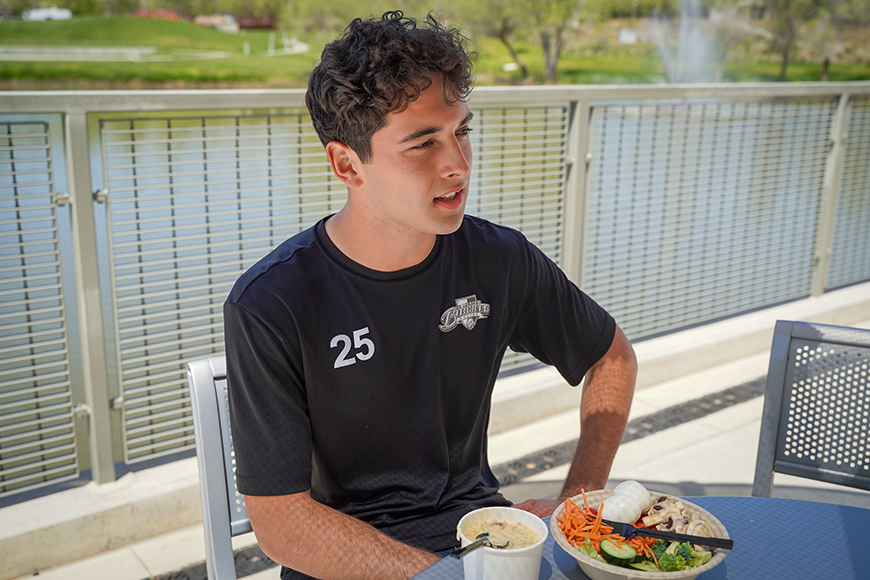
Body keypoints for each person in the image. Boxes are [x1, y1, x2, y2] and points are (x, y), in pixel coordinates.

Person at [223, 11, 637, 580]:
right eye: (422, 144)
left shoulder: (499, 259)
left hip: (482, 538)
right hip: (343, 561)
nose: (458, 166)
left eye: (461, 132)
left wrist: (578, 507)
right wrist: (441, 578)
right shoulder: (273, 303)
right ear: (347, 163)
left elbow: (611, 356)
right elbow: (283, 524)